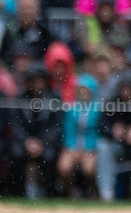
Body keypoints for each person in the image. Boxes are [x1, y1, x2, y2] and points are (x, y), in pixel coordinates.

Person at [10, 64, 62, 199]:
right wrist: (27, 141)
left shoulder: (54, 99)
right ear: (30, 82)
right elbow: (16, 125)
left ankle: (48, 191)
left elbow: (56, 126)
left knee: (50, 156)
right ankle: (18, 191)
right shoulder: (20, 99)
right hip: (25, 141)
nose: (38, 84)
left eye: (41, 80)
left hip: (46, 142)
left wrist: (42, 142)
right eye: (35, 80)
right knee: (15, 153)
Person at [57, 75, 101, 198]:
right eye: (81, 91)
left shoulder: (97, 109)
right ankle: (71, 191)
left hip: (90, 147)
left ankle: (92, 191)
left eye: (86, 91)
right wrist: (72, 148)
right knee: (64, 167)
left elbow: (97, 132)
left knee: (89, 169)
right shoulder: (71, 109)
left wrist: (89, 149)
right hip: (71, 146)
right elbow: (68, 130)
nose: (83, 94)